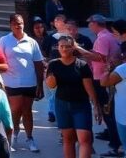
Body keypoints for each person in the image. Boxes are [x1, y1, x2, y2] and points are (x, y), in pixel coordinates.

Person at [46, 35, 101, 158]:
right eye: (62, 46)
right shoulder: (53, 64)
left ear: (73, 48)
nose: (64, 49)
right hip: (62, 104)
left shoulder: (81, 65)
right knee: (68, 139)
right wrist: (50, 78)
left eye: (68, 46)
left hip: (81, 105)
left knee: (85, 138)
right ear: (58, 48)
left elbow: (89, 88)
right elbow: (51, 86)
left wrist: (96, 106)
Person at [0, 13, 44, 153]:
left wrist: (40, 84)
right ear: (11, 25)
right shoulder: (4, 41)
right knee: (15, 110)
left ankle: (29, 137)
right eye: (16, 23)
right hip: (11, 81)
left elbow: (38, 63)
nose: (19, 25)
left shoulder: (31, 42)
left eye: (21, 23)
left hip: (29, 82)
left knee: (27, 111)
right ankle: (13, 133)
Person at [77, 13, 122, 156]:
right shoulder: (108, 36)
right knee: (108, 110)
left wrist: (79, 49)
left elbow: (99, 57)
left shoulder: (102, 38)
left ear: (95, 23)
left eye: (89, 23)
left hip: (102, 78)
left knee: (107, 111)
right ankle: (111, 134)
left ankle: (116, 145)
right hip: (107, 77)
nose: (89, 26)